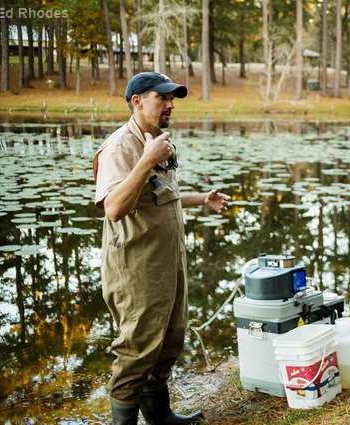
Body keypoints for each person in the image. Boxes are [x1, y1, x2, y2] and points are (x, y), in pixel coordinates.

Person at [94, 72, 230, 424]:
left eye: (172, 99)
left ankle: (160, 418)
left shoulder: (158, 140)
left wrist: (202, 199)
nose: (170, 105)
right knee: (137, 349)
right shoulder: (121, 146)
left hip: (167, 262)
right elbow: (113, 208)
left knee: (168, 341)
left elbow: (158, 195)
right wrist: (145, 159)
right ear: (137, 101)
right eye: (162, 98)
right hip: (136, 269)